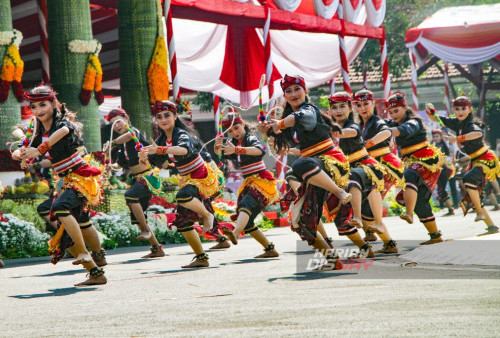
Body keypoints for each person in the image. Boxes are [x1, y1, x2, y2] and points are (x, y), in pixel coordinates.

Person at [12, 84, 106, 286]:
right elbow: (27, 147)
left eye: (43, 105)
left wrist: (39, 150)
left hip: (80, 177)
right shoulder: (37, 128)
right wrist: (20, 152)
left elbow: (63, 131)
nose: (38, 111)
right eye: (34, 107)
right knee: (74, 222)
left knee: (60, 209)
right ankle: (96, 270)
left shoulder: (62, 123)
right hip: (64, 180)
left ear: (54, 103)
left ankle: (85, 252)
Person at [268, 75, 352, 270]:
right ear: (285, 96)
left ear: (305, 91)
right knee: (301, 221)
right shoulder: (289, 119)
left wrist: (280, 124)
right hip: (313, 168)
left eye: (297, 89)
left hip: (331, 162)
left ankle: (340, 193)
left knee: (298, 165)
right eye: (288, 91)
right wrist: (271, 132)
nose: (293, 94)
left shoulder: (309, 110)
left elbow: (305, 119)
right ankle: (332, 260)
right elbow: (285, 148)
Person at [140, 100, 222, 268]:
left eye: (167, 115)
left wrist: (161, 150)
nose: (163, 120)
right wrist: (144, 158)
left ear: (175, 116)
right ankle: (201, 257)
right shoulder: (162, 138)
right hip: (187, 178)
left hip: (200, 175)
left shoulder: (180, 134)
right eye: (159, 117)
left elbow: (184, 150)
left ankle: (207, 216)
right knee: (183, 223)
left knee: (183, 196)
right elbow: (161, 165)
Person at [328, 91, 396, 255]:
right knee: (366, 213)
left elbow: (350, 132)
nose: (338, 111)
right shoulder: (348, 125)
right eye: (334, 107)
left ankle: (357, 218)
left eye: (342, 106)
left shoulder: (353, 125)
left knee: (354, 181)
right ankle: (389, 244)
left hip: (367, 167)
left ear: (349, 108)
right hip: (355, 170)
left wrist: (331, 130)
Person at [427, 96, 500, 236]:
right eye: (457, 109)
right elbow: (437, 119)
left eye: (463, 108)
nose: (460, 111)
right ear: (453, 109)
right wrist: (431, 111)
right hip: (474, 161)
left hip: (485, 159)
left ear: (470, 109)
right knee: (471, 192)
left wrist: (458, 138)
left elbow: (478, 133)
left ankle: (479, 212)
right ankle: (491, 225)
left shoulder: (470, 123)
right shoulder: (456, 122)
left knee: (469, 180)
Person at [216, 112, 280, 258]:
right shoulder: (234, 143)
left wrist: (237, 150)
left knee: (245, 205)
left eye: (236, 128)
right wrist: (217, 147)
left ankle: (235, 233)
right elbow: (221, 154)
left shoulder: (250, 138)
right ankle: (270, 249)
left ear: (243, 124)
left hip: (261, 182)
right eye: (230, 131)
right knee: (248, 220)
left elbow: (260, 150)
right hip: (250, 183)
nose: (234, 132)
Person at [103, 108, 165, 258]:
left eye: (118, 121)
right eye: (113, 124)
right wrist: (113, 167)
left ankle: (146, 230)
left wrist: (112, 143)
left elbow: (129, 135)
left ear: (126, 118)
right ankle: (156, 248)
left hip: (148, 176)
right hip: (138, 178)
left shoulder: (134, 133)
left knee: (130, 196)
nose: (116, 126)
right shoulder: (122, 147)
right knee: (137, 216)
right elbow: (121, 164)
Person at [386, 92, 445, 245]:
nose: (393, 115)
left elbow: (406, 129)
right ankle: (435, 235)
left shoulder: (414, 121)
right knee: (420, 201)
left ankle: (409, 213)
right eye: (391, 112)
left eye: (396, 111)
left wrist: (387, 132)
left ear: (405, 108)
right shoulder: (393, 123)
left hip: (426, 160)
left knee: (409, 175)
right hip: (412, 162)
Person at [354, 88, 403, 252]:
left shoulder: (376, 121)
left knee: (368, 201)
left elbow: (386, 132)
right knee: (362, 204)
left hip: (383, 164)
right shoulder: (360, 124)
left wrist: (369, 143)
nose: (363, 108)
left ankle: (377, 232)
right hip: (369, 165)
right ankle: (386, 242)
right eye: (359, 105)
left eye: (366, 104)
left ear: (373, 103)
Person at [431, 129, 455, 216]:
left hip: (443, 170)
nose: (435, 138)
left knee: (442, 189)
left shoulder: (442, 147)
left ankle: (451, 209)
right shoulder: (434, 146)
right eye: (434, 136)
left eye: (437, 136)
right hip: (438, 171)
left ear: (441, 137)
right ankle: (450, 208)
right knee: (441, 189)